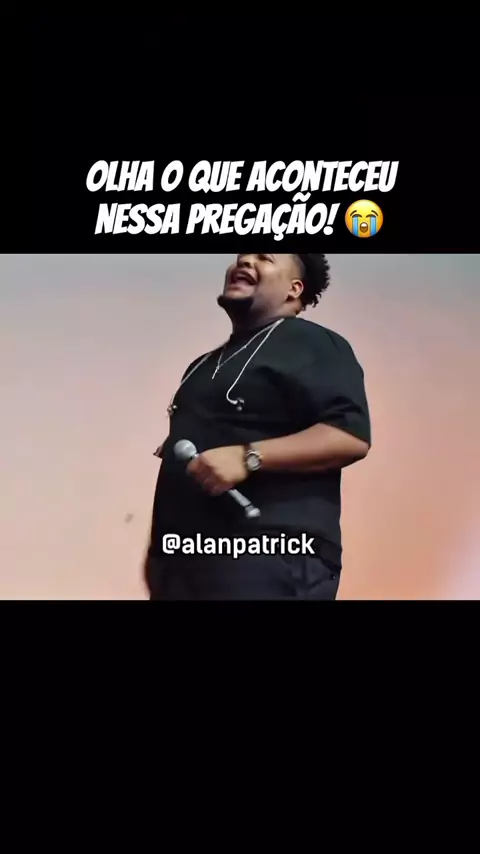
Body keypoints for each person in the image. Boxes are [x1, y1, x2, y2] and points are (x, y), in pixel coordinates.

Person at [144, 253, 371, 600]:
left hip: (268, 553)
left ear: (294, 289)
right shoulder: (201, 366)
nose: (245, 261)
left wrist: (248, 456)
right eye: (241, 256)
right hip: (185, 565)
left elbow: (349, 435)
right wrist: (160, 554)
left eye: (264, 258)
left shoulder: (312, 342)